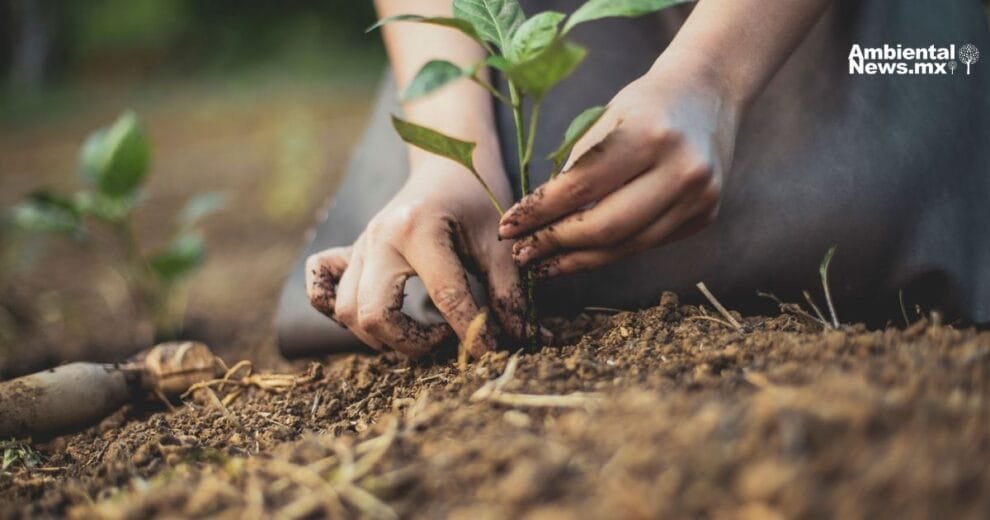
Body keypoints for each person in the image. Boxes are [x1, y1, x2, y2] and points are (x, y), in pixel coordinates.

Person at [275, 0, 990, 358]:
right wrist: (448, 152)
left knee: (871, 187)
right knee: (451, 234)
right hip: (515, 29)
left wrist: (713, 74)